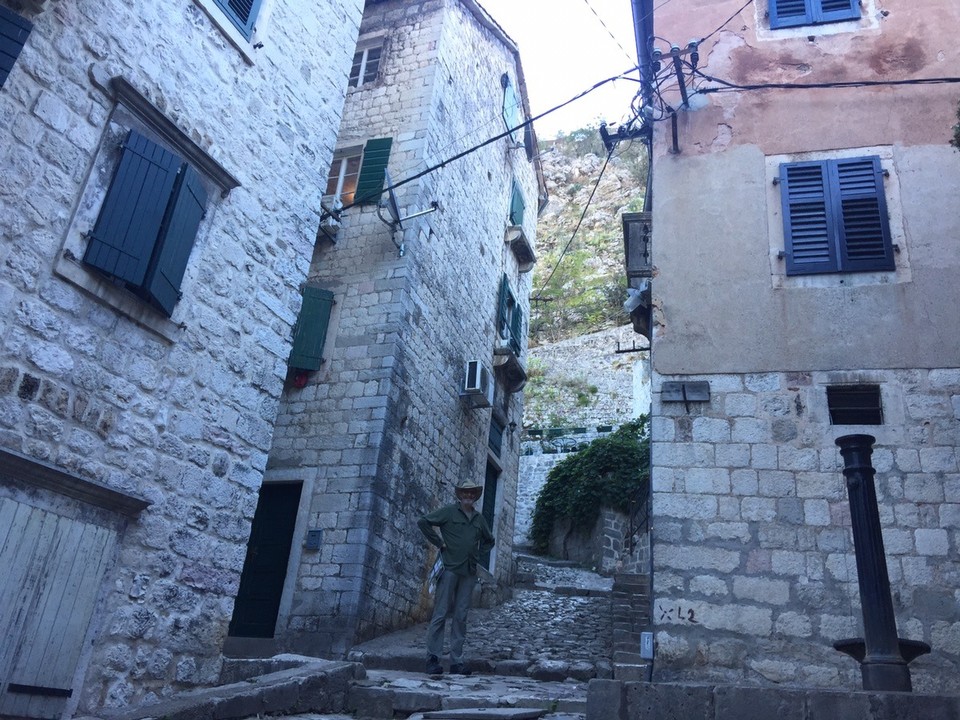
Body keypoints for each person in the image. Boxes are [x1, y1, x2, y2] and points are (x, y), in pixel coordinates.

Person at [417, 477, 495, 676]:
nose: (468, 496)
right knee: (441, 613)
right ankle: (433, 658)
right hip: (449, 568)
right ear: (460, 495)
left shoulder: (479, 519)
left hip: (468, 572)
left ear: (475, 497)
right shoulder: (449, 512)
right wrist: (439, 543)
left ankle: (456, 661)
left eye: (472, 493)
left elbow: (489, 540)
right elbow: (424, 522)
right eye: (465, 493)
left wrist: (477, 554)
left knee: (461, 617)